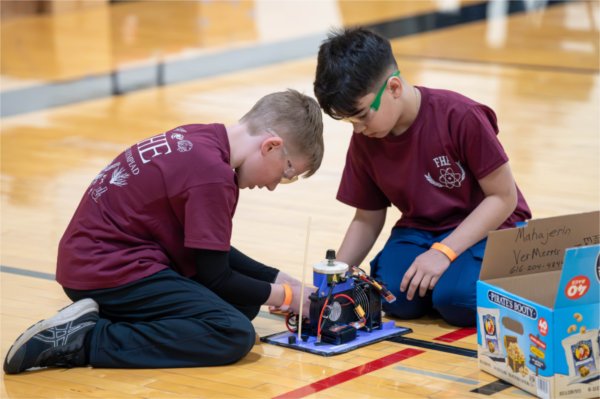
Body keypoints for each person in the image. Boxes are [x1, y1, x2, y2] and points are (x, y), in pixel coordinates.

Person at [3, 89, 323, 374]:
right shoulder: (213, 176)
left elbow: (208, 250)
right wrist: (292, 298)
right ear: (271, 146)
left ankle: (92, 319)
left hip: (95, 260)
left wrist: (279, 280)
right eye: (286, 173)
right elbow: (216, 275)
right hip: (109, 271)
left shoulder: (201, 139)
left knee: (243, 302)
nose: (272, 186)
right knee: (231, 332)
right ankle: (82, 340)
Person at [313, 27, 531, 327]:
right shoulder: (367, 137)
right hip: (420, 230)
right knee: (395, 299)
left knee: (456, 302)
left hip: (488, 227)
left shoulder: (460, 115)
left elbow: (504, 197)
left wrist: (444, 252)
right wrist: (332, 281)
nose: (358, 128)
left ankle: (517, 269)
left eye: (362, 115)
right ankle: (450, 278)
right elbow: (367, 217)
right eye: (349, 121)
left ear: (393, 88)